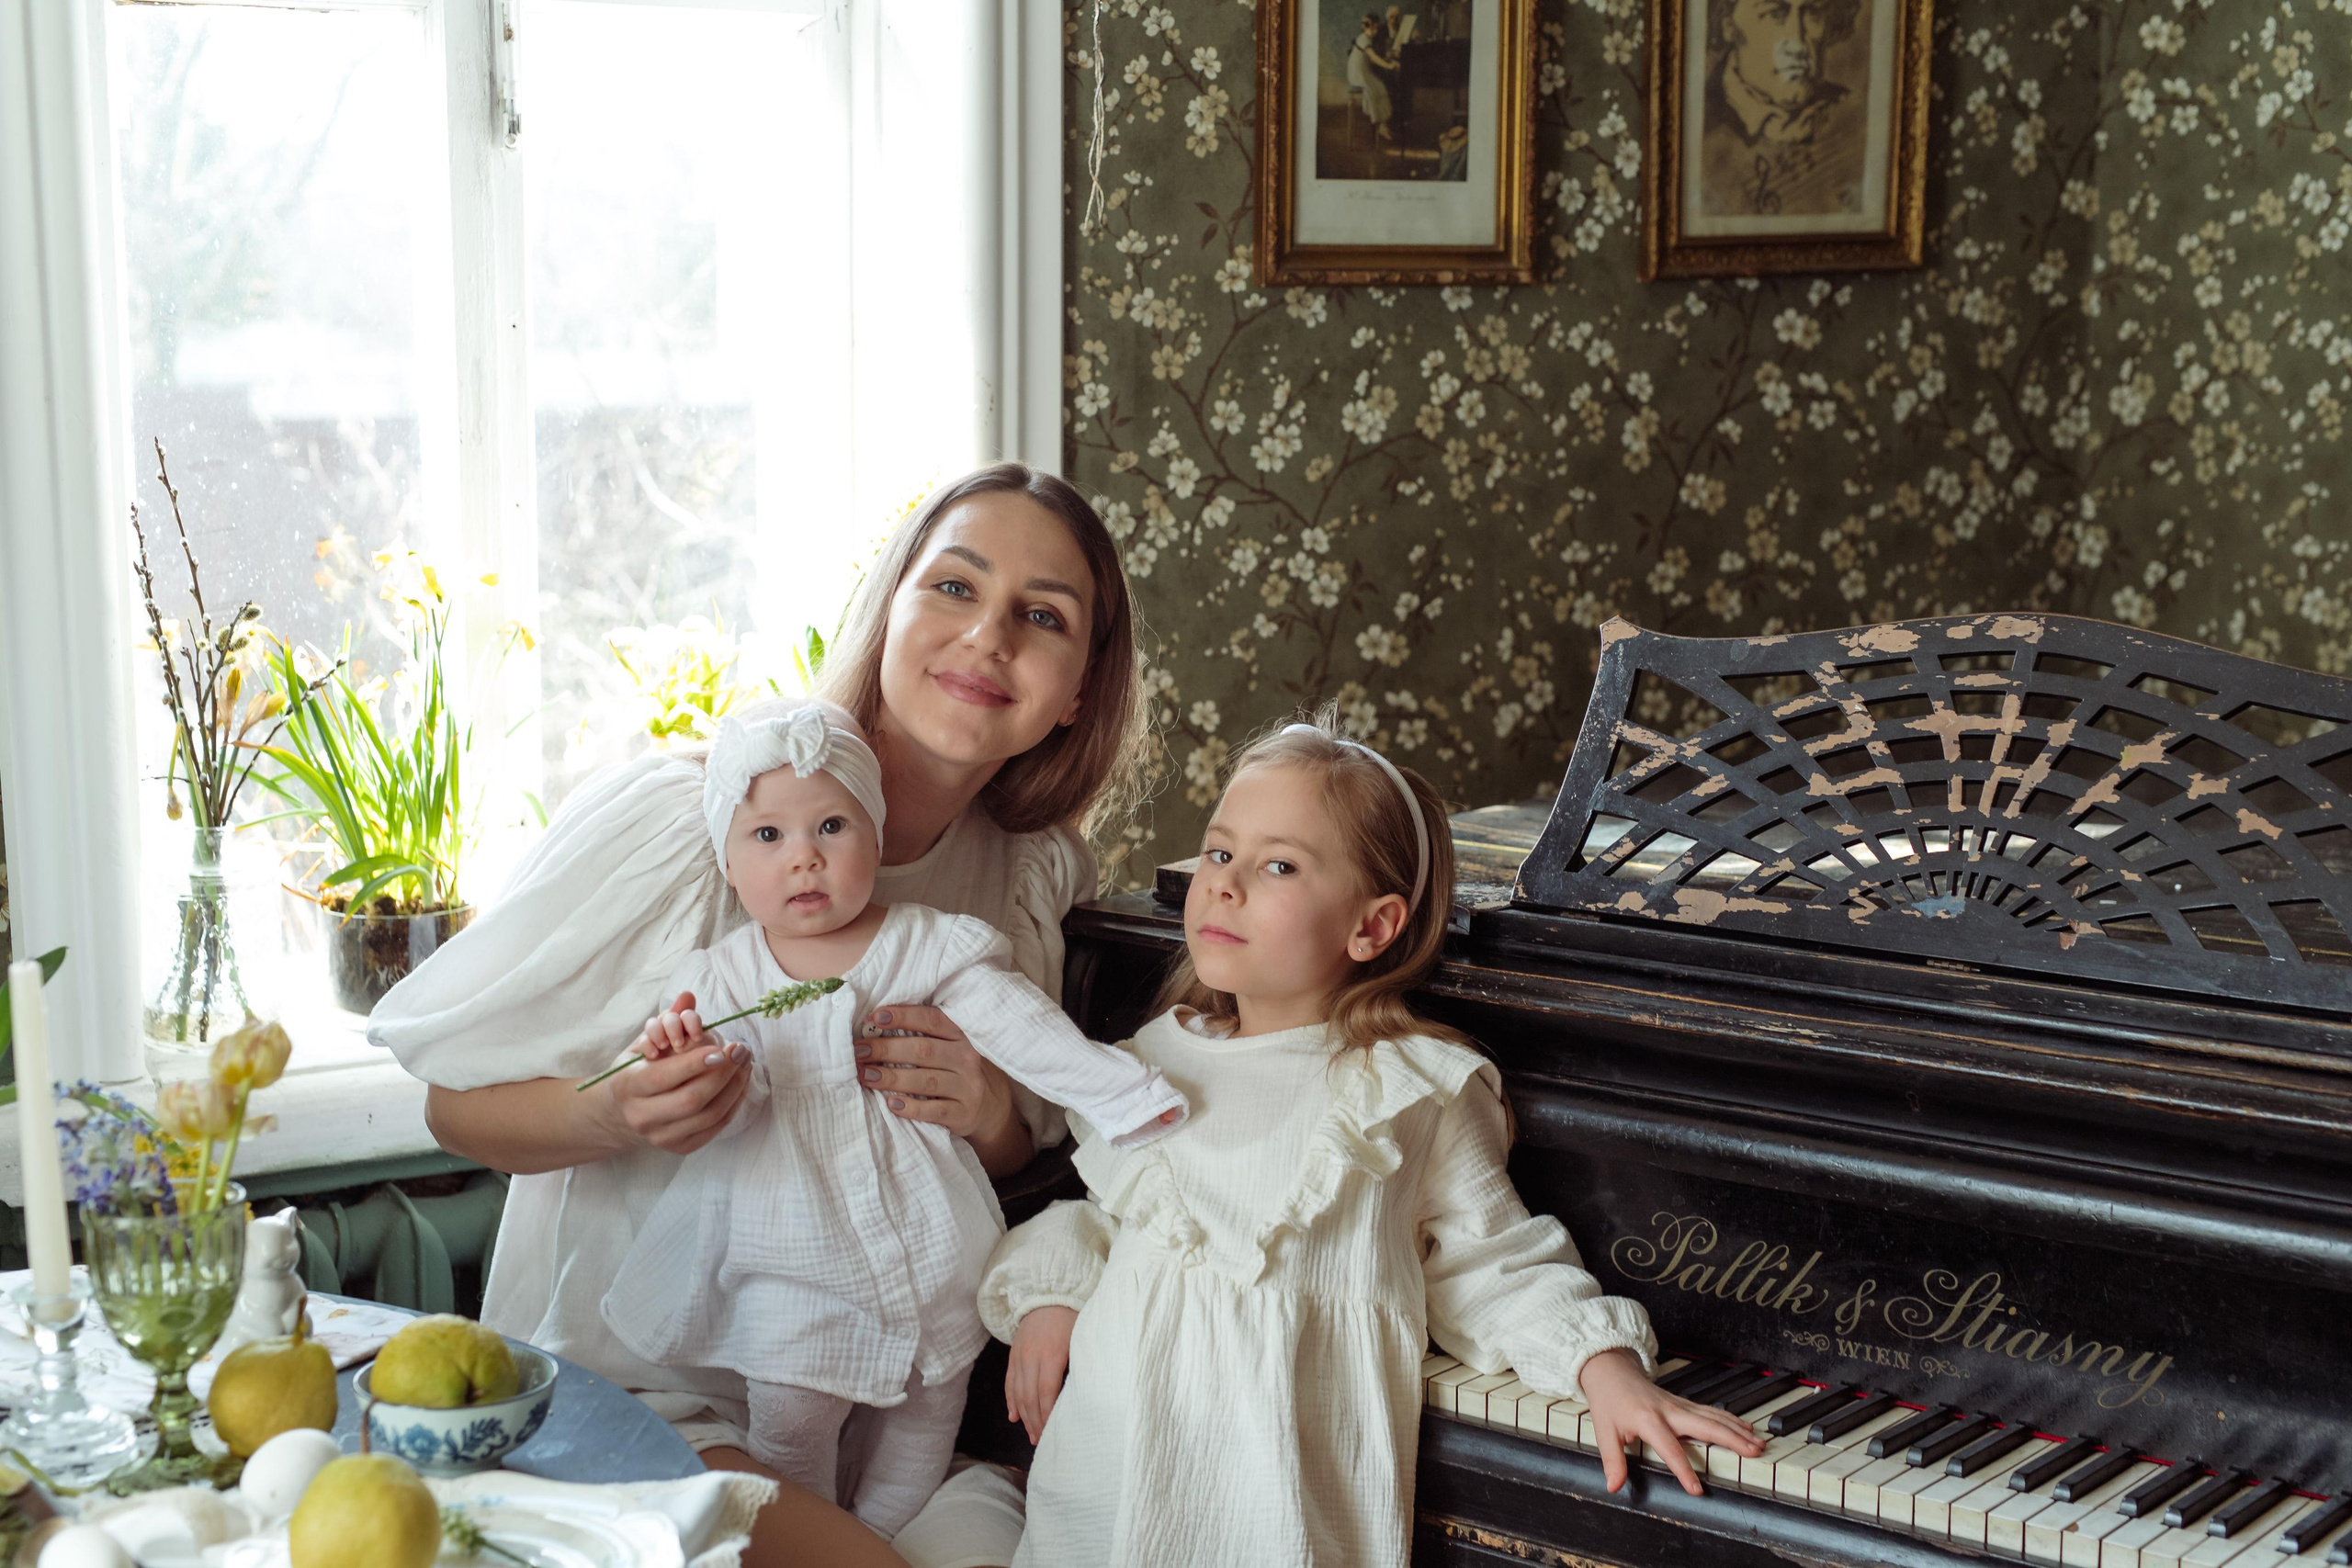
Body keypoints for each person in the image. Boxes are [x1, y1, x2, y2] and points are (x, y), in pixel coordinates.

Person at [369, 462, 1148, 1568]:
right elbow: (454, 1109)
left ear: (1078, 689)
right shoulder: (695, 830)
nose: (987, 640)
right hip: (647, 1393)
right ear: (888, 614)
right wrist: (621, 1113)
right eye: (955, 589)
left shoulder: (1025, 876)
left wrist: (990, 1120)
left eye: (1041, 616)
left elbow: (1029, 1146)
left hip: (893, 1403)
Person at [981, 715, 1768, 1566]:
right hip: (1104, 1477)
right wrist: (1050, 1297)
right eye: (1219, 852)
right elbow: (1103, 1217)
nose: (1226, 884)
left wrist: (1601, 1366)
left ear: (1373, 926)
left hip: (1283, 1503)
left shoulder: (1405, 1088)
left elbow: (1490, 1260)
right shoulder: (1146, 1063)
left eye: (1278, 864)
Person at [601, 703, 1185, 1536]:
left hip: (929, 1245)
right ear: (728, 863)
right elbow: (723, 1111)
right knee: (792, 1426)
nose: (804, 854)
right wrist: (688, 1058)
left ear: (876, 838)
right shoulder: (721, 980)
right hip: (788, 1257)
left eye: (832, 825)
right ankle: (820, 1539)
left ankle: (878, 1537)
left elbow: (1028, 1033)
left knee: (929, 1407)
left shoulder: (929, 944)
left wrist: (1123, 1094)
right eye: (767, 836)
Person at [1698, 0, 1870, 218]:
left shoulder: (1857, 120)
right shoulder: (1695, 132)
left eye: (1812, 13)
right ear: (1729, 27)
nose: (1796, 41)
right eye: (1775, 13)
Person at [1346, 13, 1398, 145]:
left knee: (1380, 87)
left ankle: (1383, 125)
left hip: (1364, 71)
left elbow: (1375, 56)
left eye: (1376, 29)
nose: (1375, 31)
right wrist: (1388, 65)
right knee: (1378, 87)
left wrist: (1387, 58)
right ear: (1365, 28)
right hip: (1358, 73)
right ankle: (1381, 125)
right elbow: (1373, 58)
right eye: (1372, 29)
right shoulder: (1364, 39)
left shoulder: (1368, 38)